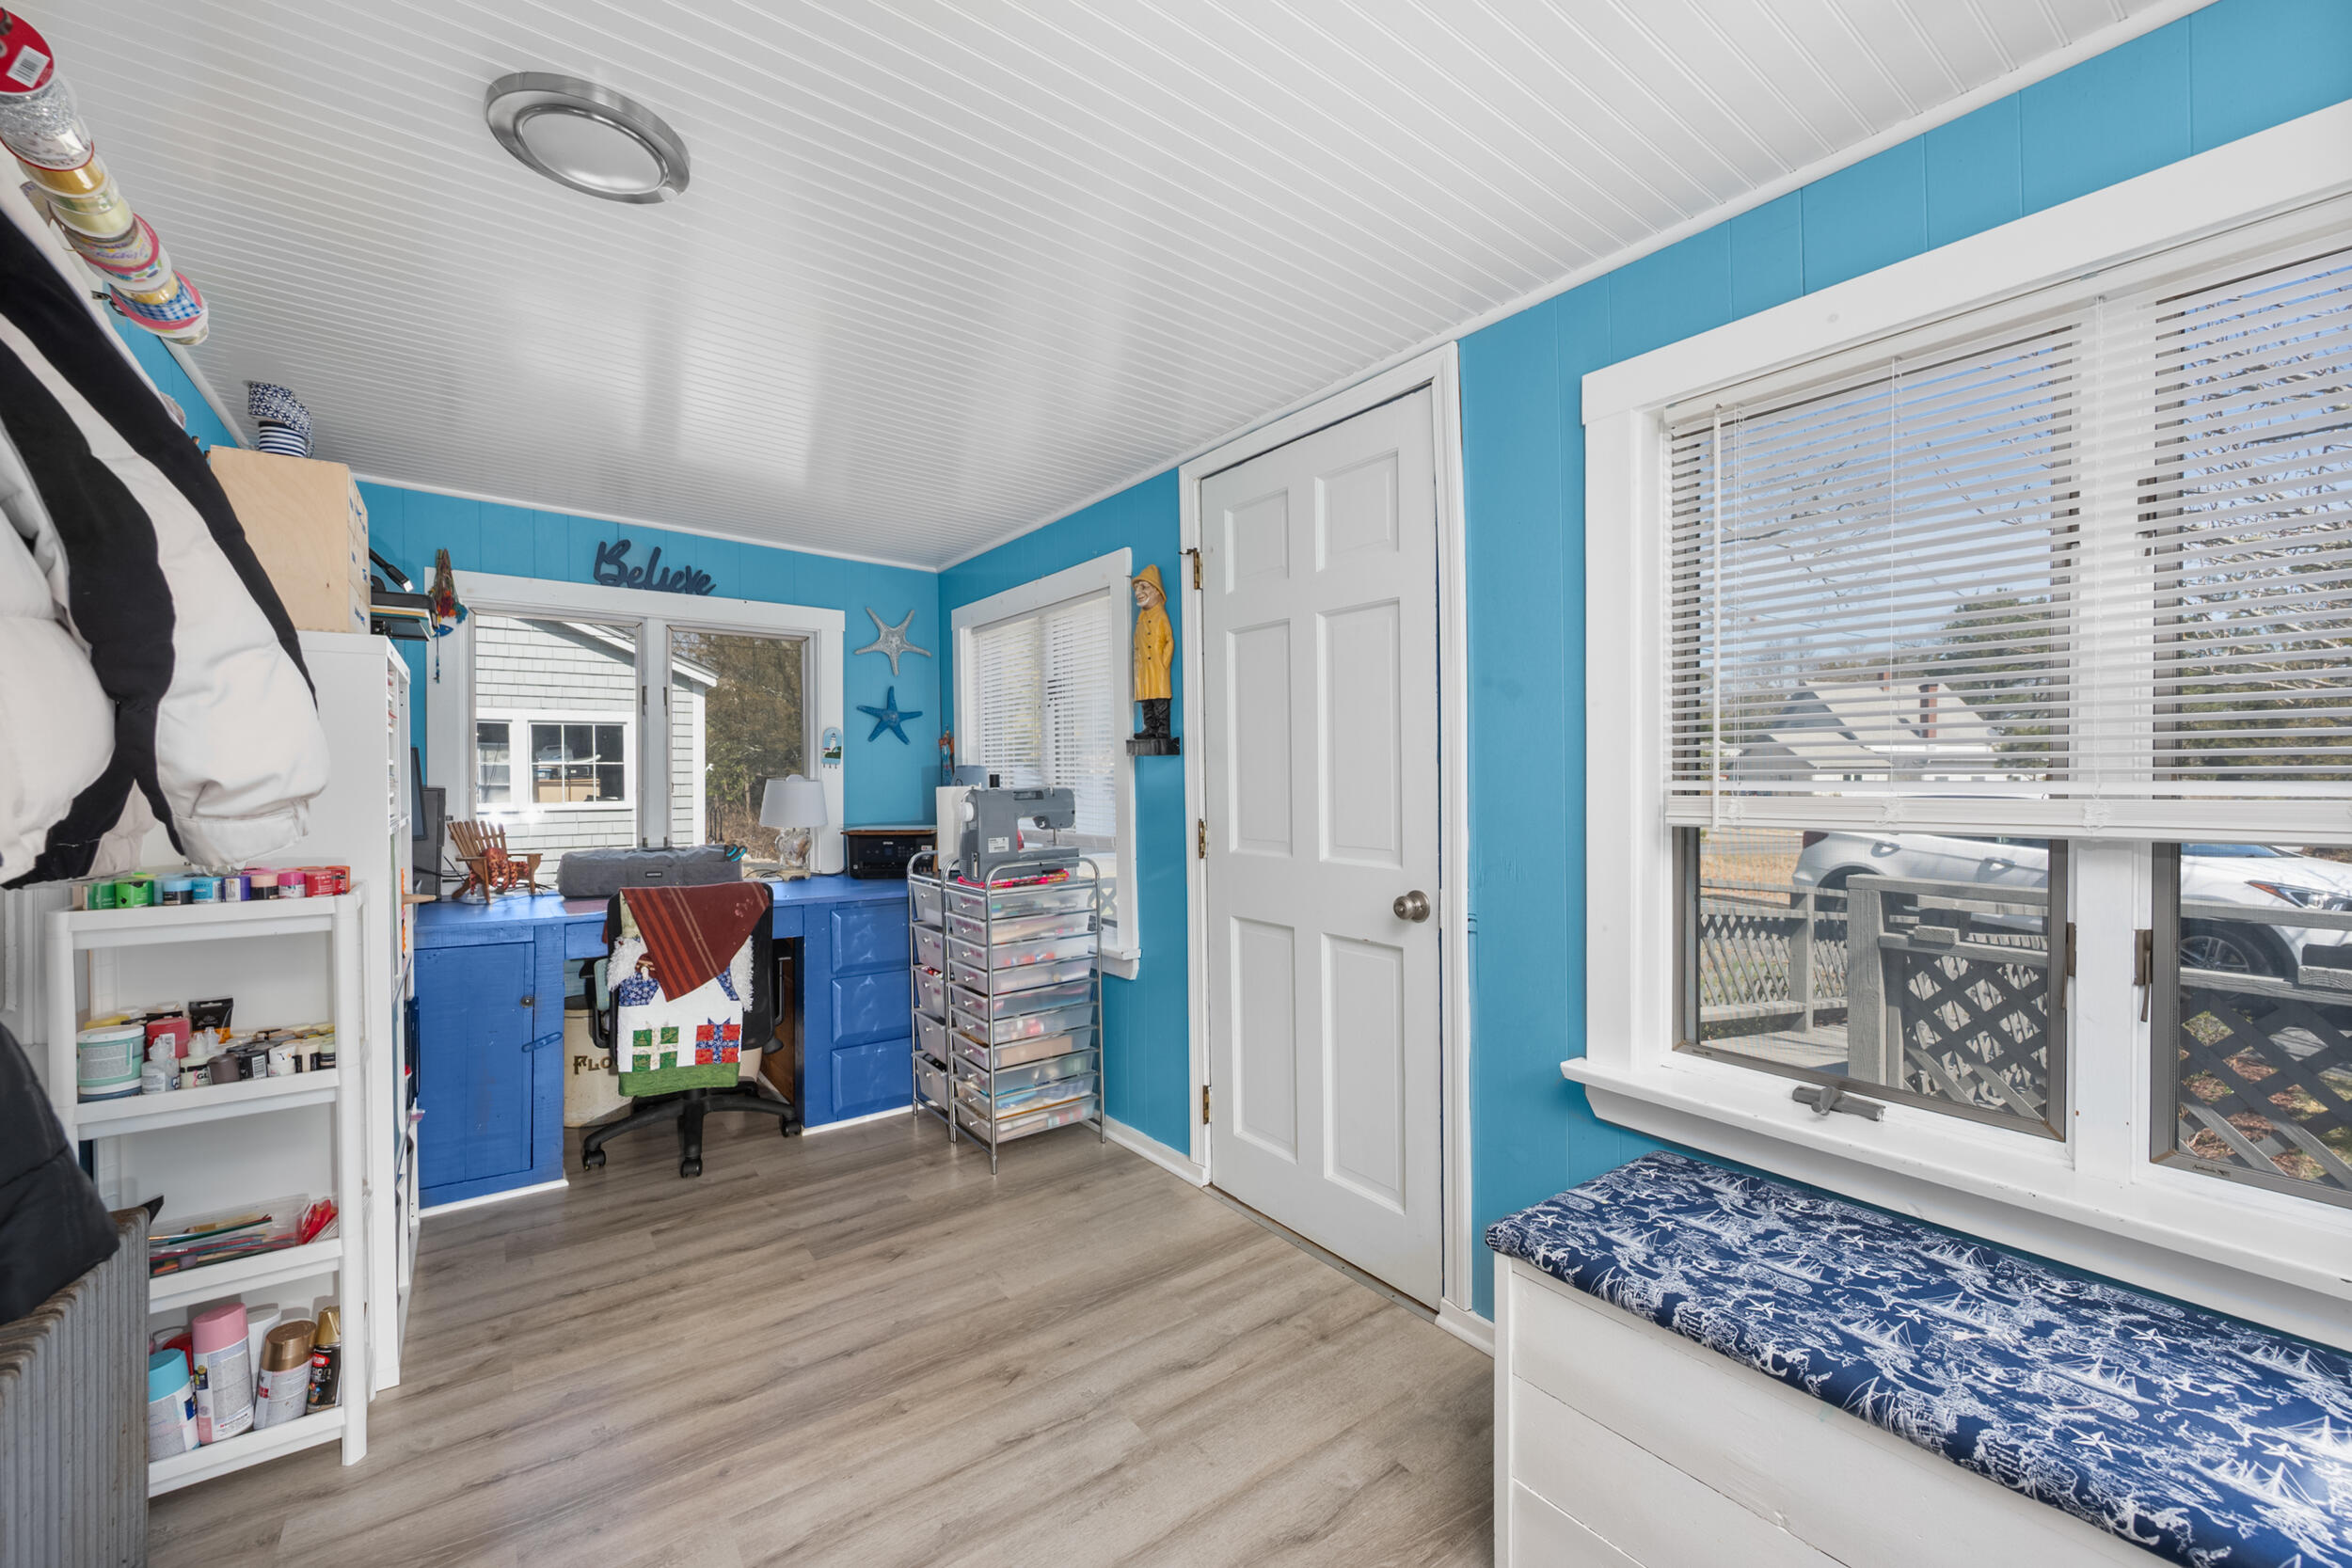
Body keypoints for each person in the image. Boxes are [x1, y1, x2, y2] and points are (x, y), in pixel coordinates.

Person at [1132, 563, 1173, 744]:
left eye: (1144, 586)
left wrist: (1164, 662)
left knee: (1159, 699)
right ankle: (1150, 728)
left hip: (1157, 666)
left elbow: (1169, 640)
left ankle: (1162, 729)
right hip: (1143, 668)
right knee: (1146, 700)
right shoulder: (1141, 619)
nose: (1138, 591)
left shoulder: (1160, 615)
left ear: (1156, 591)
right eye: (1136, 588)